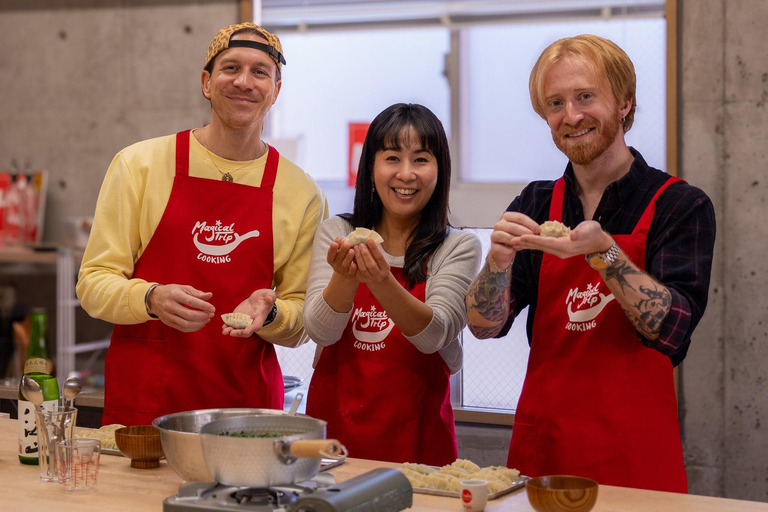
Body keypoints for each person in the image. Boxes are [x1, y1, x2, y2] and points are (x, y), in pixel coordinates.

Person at [465, 35, 715, 493]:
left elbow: (673, 328)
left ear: (624, 102)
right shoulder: (538, 202)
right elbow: (485, 326)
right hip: (545, 453)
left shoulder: (679, 205)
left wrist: (604, 252)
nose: (571, 116)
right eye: (555, 103)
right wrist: (497, 261)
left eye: (585, 97)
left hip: (635, 460)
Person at [76, 22, 328, 426]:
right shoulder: (139, 165)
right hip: (147, 401)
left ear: (275, 90)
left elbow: (302, 318)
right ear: (206, 83)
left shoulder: (300, 192)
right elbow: (92, 283)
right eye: (231, 68)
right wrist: (151, 298)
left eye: (260, 71)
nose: (244, 82)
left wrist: (270, 313)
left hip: (245, 411)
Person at [304, 103, 481, 466]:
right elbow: (320, 331)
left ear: (439, 169)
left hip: (418, 445)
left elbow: (434, 334)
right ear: (370, 167)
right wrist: (345, 277)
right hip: (335, 445)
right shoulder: (337, 233)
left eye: (420, 159)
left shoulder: (457, 246)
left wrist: (381, 280)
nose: (406, 174)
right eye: (392, 158)